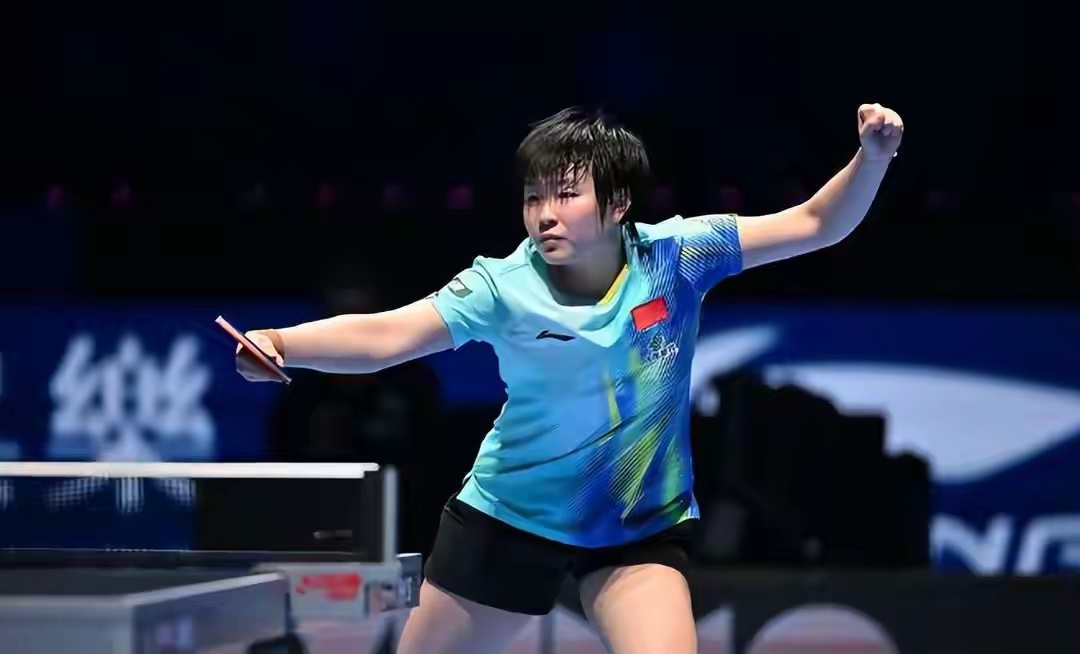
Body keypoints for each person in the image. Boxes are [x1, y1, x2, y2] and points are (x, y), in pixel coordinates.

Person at [235, 103, 904, 654]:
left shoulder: (678, 256)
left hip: (635, 525)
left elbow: (815, 222)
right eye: (533, 197)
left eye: (565, 194)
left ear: (618, 204)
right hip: (509, 517)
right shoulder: (503, 285)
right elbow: (388, 336)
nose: (544, 214)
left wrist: (871, 159)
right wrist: (282, 343)